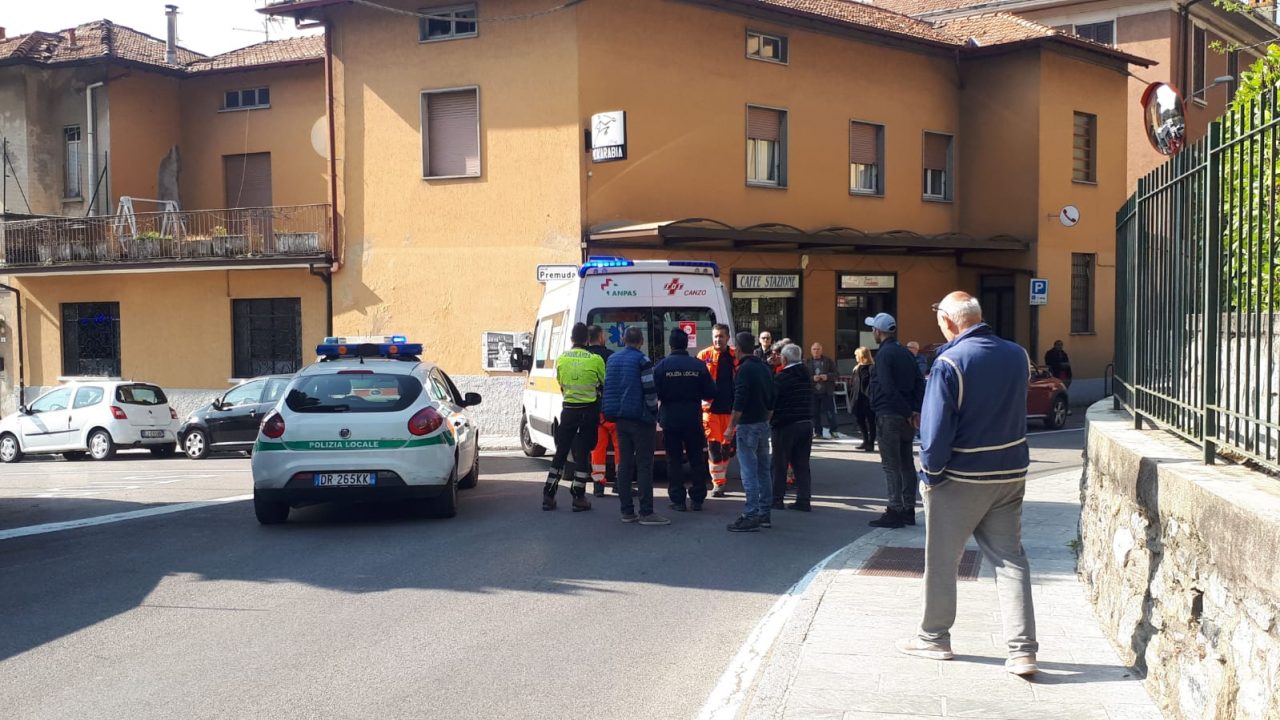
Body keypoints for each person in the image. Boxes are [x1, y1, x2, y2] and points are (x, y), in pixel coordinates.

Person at [897, 291, 1038, 678]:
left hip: (961, 477)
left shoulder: (949, 361)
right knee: (1011, 561)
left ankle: (934, 637)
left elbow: (936, 429)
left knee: (942, 561)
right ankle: (1022, 651)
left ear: (949, 321)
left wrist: (931, 473)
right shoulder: (1016, 354)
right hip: (1009, 472)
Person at [603, 326, 669, 526]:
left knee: (624, 464)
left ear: (623, 339)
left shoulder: (612, 360)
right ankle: (646, 512)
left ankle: (627, 511)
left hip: (620, 419)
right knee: (644, 465)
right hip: (641, 420)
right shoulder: (642, 360)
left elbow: (609, 387)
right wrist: (654, 413)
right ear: (641, 341)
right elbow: (650, 390)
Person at [865, 313, 925, 529]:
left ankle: (895, 509)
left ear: (878, 332)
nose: (872, 332)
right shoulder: (904, 352)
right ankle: (908, 509)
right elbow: (920, 381)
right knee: (906, 463)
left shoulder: (884, 354)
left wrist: (907, 410)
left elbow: (887, 387)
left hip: (889, 413)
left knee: (891, 465)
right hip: (906, 416)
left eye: (873, 329)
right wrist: (914, 410)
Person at [541, 322, 605, 512]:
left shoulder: (561, 359)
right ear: (587, 339)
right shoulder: (595, 360)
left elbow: (561, 384)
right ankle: (578, 497)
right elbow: (603, 383)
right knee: (583, 454)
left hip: (568, 411)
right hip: (588, 412)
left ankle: (548, 495)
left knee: (561, 453)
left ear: (571, 339)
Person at [654, 328, 717, 512]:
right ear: (686, 343)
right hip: (693, 418)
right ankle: (697, 499)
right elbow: (711, 392)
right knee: (696, 458)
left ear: (670, 344)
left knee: (673, 460)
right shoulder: (698, 365)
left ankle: (678, 500)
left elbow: (653, 392)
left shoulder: (662, 366)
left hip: (670, 418)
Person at [724, 332, 775, 532]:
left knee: (748, 472)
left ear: (737, 348)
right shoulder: (764, 367)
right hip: (763, 423)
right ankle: (764, 513)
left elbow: (740, 401)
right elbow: (773, 398)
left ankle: (750, 514)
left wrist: (730, 427)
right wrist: (766, 419)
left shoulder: (744, 370)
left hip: (747, 425)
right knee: (763, 470)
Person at [771, 344, 814, 512]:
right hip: (806, 422)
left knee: (780, 463)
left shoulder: (782, 377)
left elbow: (772, 399)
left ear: (785, 359)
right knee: (802, 464)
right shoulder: (806, 374)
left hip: (786, 424)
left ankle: (777, 499)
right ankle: (804, 499)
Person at [697, 324, 737, 497]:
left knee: (726, 446)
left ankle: (722, 477)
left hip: (730, 410)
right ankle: (718, 483)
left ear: (727, 337)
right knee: (713, 446)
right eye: (715, 336)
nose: (717, 339)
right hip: (711, 410)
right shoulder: (704, 355)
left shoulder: (735, 356)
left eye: (721, 336)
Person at [586, 324, 618, 497]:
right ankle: (620, 482)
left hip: (593, 410)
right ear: (600, 337)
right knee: (620, 447)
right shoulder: (612, 356)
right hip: (612, 409)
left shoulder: (585, 358)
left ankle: (598, 484)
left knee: (598, 448)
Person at [808, 342, 840, 439]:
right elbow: (803, 376)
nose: (816, 351)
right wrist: (812, 378)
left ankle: (833, 431)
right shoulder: (807, 362)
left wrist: (827, 376)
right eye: (814, 349)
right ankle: (818, 432)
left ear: (821, 350)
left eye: (818, 349)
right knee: (815, 413)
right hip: (813, 392)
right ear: (811, 351)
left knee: (830, 412)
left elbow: (836, 374)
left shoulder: (828, 361)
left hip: (826, 391)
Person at [851, 347, 876, 451]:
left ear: (862, 356)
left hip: (868, 399)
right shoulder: (856, 368)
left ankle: (871, 443)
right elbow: (854, 385)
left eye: (857, 355)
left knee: (871, 422)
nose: (856, 357)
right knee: (860, 420)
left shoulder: (872, 368)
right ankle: (865, 440)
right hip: (858, 399)